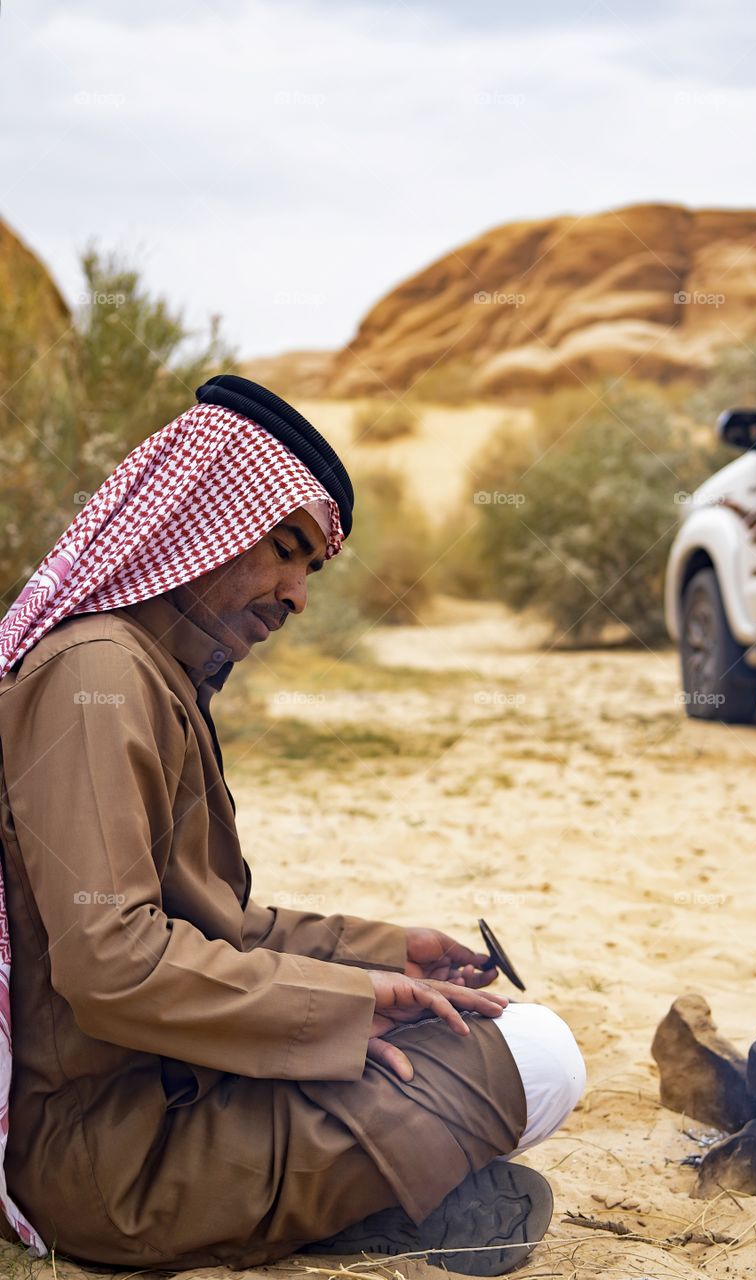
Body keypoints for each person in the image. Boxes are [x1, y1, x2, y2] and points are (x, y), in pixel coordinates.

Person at [0, 376, 585, 1275]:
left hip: (170, 1089)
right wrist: (345, 1009)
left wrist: (384, 957)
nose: (296, 594)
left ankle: (372, 1192)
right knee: (537, 1057)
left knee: (492, 1036)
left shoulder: (150, 677)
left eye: (311, 569)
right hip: (112, 1159)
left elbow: (215, 927)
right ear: (196, 521)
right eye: (284, 550)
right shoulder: (99, 679)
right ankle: (360, 1206)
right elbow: (111, 964)